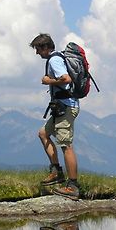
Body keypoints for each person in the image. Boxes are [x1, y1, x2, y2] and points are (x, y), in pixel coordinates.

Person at [30, 33, 80, 200]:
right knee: (43, 133)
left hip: (66, 107)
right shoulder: (56, 58)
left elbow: (66, 79)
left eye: (38, 49)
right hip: (62, 107)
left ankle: (73, 186)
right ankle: (56, 172)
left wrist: (48, 81)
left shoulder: (54, 60)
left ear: (45, 47)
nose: (37, 53)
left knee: (66, 145)